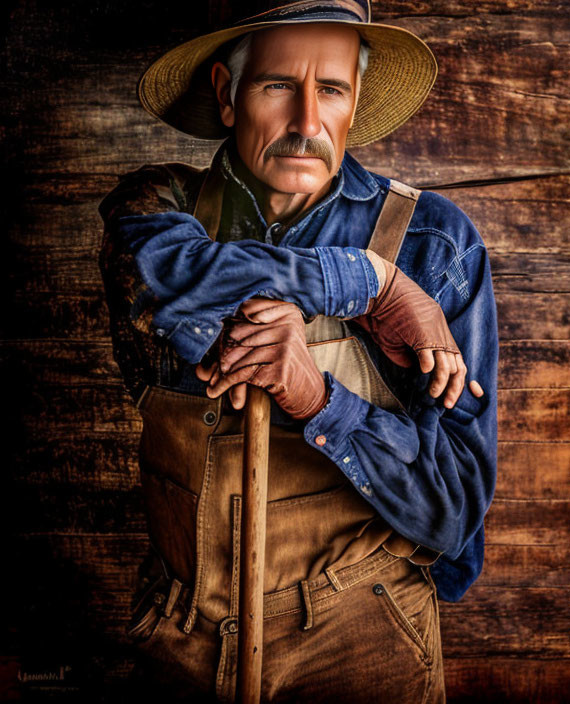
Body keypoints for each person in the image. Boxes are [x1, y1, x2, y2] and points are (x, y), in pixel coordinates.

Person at [98, 1, 498, 701]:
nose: (307, 123)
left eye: (332, 89)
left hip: (361, 633)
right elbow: (174, 284)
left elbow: (456, 509)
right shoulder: (157, 212)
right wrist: (366, 282)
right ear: (227, 93)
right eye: (278, 85)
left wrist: (320, 398)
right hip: (178, 633)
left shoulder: (431, 242)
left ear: (355, 102)